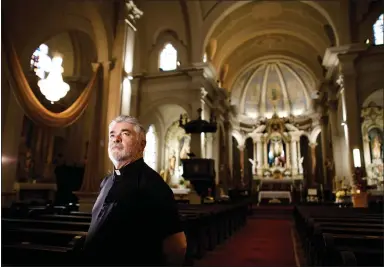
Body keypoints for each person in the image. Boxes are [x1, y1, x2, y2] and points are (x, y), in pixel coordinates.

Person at [82, 115, 187, 266]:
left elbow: (177, 246)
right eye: (112, 134)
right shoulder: (106, 181)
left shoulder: (154, 184)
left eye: (125, 133)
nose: (116, 138)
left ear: (142, 144)